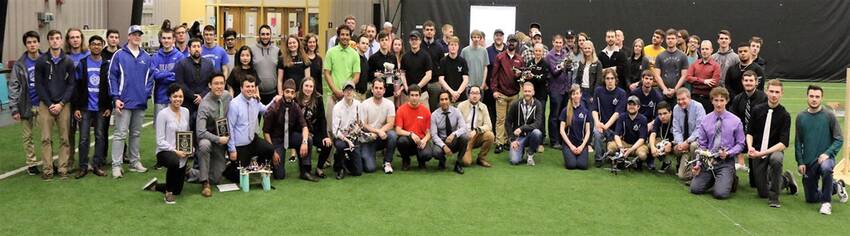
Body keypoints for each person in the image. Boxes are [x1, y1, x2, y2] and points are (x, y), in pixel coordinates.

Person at [794, 85, 849, 215]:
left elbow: (839, 139)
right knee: (811, 198)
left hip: (825, 159)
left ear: (821, 98)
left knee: (826, 168)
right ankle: (837, 186)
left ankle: (826, 203)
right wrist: (800, 162)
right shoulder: (801, 117)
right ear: (807, 97)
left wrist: (827, 153)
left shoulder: (829, 115)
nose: (814, 99)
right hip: (809, 162)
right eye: (811, 96)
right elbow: (798, 142)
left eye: (817, 97)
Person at [108, 25, 154, 178]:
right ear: (128, 36)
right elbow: (112, 77)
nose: (136, 37)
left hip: (139, 103)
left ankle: (134, 162)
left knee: (136, 133)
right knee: (120, 134)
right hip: (123, 102)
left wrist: (145, 95)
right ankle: (116, 165)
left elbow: (150, 79)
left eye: (139, 34)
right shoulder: (119, 55)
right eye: (133, 34)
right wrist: (116, 98)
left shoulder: (146, 57)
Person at [33, 30, 76, 180]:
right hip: (46, 105)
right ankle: (48, 170)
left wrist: (62, 103)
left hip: (64, 105)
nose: (55, 41)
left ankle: (63, 169)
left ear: (61, 40)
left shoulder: (68, 61)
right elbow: (38, 85)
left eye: (57, 38)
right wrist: (50, 104)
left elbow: (71, 85)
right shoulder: (41, 61)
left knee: (65, 138)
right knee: (46, 139)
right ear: (48, 41)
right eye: (52, 39)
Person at [689, 87, 745, 200]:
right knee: (695, 189)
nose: (719, 104)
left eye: (722, 100)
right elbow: (702, 145)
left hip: (726, 161)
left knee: (720, 194)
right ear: (712, 101)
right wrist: (698, 165)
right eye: (716, 100)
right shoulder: (705, 120)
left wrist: (728, 153)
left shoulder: (736, 121)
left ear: (727, 101)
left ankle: (731, 178)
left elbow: (740, 144)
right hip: (709, 161)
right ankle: (716, 179)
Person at [746, 79, 795, 208]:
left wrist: (762, 153)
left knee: (777, 159)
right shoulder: (757, 110)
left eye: (777, 92)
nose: (774, 95)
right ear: (766, 91)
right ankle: (785, 180)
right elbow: (749, 132)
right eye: (771, 91)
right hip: (757, 151)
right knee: (762, 192)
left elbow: (783, 143)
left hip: (773, 151)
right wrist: (750, 147)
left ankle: (774, 198)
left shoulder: (785, 115)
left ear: (781, 94)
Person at [142, 84, 191, 204]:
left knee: (178, 190)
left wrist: (190, 148)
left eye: (180, 96)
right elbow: (160, 141)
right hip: (165, 152)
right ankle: (168, 194)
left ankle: (155, 186)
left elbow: (187, 133)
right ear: (169, 97)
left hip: (181, 152)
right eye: (175, 96)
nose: (178, 99)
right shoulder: (163, 114)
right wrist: (175, 151)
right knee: (174, 161)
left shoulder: (186, 112)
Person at [263, 79, 319, 182]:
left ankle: (305, 171)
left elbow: (304, 127)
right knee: (280, 176)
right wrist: (272, 151)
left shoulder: (295, 106)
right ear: (283, 92)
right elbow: (266, 132)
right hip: (277, 140)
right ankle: (269, 161)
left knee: (308, 139)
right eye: (287, 92)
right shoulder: (274, 108)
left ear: (294, 94)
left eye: (292, 92)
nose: (289, 95)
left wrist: (304, 142)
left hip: (290, 137)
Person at [73, 35, 112, 178]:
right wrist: (76, 107)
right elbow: (76, 86)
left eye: (99, 44)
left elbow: (109, 87)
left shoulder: (106, 64)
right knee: (83, 138)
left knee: (100, 136)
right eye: (93, 44)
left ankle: (97, 165)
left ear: (103, 46)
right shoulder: (82, 63)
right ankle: (83, 166)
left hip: (101, 107)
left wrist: (109, 106)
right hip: (85, 108)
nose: (96, 46)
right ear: (89, 47)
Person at [226, 76, 278, 177]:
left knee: (269, 149)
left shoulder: (255, 100)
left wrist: (274, 100)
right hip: (239, 146)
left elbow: (266, 110)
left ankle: (257, 166)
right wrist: (232, 150)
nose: (250, 89)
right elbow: (230, 128)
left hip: (252, 141)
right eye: (247, 86)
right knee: (238, 176)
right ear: (241, 88)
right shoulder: (234, 104)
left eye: (252, 86)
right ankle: (229, 167)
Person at [9, 31, 43, 175]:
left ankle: (48, 161)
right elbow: (14, 86)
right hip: (25, 105)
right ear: (26, 45)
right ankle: (31, 164)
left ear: (39, 43)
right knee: (27, 137)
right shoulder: (19, 64)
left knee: (46, 136)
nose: (32, 44)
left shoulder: (45, 60)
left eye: (34, 41)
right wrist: (14, 108)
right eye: (29, 42)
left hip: (43, 105)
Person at [195, 73, 232, 196]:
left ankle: (191, 173)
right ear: (209, 85)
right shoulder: (204, 105)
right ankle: (205, 183)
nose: (219, 86)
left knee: (216, 179)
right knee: (204, 144)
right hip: (209, 139)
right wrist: (218, 139)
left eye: (222, 83)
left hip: (223, 139)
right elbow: (200, 132)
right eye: (216, 83)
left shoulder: (227, 96)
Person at [490, 34, 523, 154]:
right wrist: (494, 91)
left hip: (514, 94)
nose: (511, 43)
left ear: (517, 44)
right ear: (507, 42)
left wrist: (520, 76)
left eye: (514, 42)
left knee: (512, 120)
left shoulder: (520, 59)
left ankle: (510, 141)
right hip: (501, 94)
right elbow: (494, 76)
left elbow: (522, 78)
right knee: (500, 120)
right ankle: (499, 143)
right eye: (510, 41)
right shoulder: (500, 57)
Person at [729, 71, 767, 172]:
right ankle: (740, 162)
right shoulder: (738, 98)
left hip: (758, 134)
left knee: (755, 180)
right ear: (742, 82)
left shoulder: (763, 98)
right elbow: (732, 118)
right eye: (746, 80)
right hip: (742, 132)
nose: (748, 83)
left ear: (756, 82)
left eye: (751, 80)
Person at [357, 79, 398, 174]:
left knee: (392, 135)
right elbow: (364, 125)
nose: (378, 90)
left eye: (381, 88)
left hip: (382, 137)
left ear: (384, 90)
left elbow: (391, 123)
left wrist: (380, 132)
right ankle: (368, 156)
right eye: (376, 88)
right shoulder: (365, 104)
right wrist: (377, 131)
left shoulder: (389, 104)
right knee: (370, 168)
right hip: (368, 138)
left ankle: (387, 162)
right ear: (372, 89)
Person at [295, 78, 333, 178]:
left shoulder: (318, 98)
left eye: (311, 86)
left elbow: (322, 119)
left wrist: (325, 136)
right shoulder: (296, 97)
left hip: (315, 130)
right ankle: (305, 167)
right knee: (308, 139)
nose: (308, 89)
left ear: (314, 88)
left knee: (327, 144)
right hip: (300, 131)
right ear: (302, 86)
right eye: (306, 86)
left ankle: (319, 168)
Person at [323, 25, 361, 121]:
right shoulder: (331, 52)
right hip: (333, 95)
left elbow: (356, 76)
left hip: (349, 95)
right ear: (338, 36)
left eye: (347, 35)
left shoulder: (355, 54)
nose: (345, 37)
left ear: (350, 37)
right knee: (331, 126)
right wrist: (335, 90)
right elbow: (327, 73)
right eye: (342, 34)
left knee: (349, 125)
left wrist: (346, 90)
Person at [592, 69, 627, 167]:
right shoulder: (598, 91)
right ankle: (598, 158)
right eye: (607, 78)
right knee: (596, 133)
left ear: (616, 79)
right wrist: (597, 123)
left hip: (616, 129)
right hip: (601, 124)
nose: (610, 81)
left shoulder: (621, 93)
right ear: (604, 80)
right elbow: (594, 109)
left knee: (612, 151)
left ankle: (609, 154)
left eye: (612, 78)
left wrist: (605, 126)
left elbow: (617, 114)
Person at [395, 85, 435, 170]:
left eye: (416, 95)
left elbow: (429, 132)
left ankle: (421, 160)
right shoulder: (401, 110)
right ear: (408, 96)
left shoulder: (426, 111)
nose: (414, 98)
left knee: (427, 155)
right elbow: (398, 130)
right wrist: (411, 134)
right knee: (401, 141)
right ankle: (406, 160)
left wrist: (424, 140)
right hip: (408, 140)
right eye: (412, 95)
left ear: (420, 96)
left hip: (421, 141)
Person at [429, 91, 469, 174]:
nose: (444, 102)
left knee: (464, 137)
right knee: (436, 152)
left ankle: (458, 163)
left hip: (453, 140)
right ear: (439, 102)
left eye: (446, 99)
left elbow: (464, 127)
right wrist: (443, 146)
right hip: (441, 141)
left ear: (450, 100)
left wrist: (454, 134)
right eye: (442, 100)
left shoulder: (456, 111)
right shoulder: (434, 115)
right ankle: (442, 160)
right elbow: (434, 135)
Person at [671, 88, 706, 180]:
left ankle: (698, 171)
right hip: (683, 143)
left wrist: (687, 142)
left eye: (683, 99)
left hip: (697, 141)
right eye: (678, 99)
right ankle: (682, 164)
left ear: (689, 98)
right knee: (682, 176)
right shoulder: (676, 109)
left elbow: (700, 129)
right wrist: (680, 144)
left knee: (693, 146)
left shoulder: (698, 107)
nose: (680, 102)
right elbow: (676, 129)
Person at [506, 82, 545, 166]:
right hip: (518, 138)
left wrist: (522, 128)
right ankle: (521, 150)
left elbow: (538, 123)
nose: (527, 93)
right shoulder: (515, 104)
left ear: (533, 92)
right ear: (522, 92)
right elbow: (508, 122)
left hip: (531, 135)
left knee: (537, 133)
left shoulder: (538, 104)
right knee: (514, 161)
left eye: (529, 91)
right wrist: (512, 140)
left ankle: (530, 153)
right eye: (525, 91)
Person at [151, 28, 186, 121]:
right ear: (160, 40)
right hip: (159, 98)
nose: (166, 40)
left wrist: (162, 75)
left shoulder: (180, 56)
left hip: (175, 98)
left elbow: (179, 76)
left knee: (175, 128)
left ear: (174, 40)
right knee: (160, 129)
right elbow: (155, 76)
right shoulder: (155, 57)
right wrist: (170, 74)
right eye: (164, 38)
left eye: (169, 38)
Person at [545, 34, 573, 149]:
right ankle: (554, 140)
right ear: (553, 42)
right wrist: (563, 66)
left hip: (565, 89)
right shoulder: (549, 56)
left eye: (560, 43)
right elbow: (554, 72)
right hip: (555, 89)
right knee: (554, 116)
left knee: (563, 116)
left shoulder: (565, 54)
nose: (558, 45)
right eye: (556, 42)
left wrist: (569, 66)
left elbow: (568, 70)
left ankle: (562, 139)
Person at [330, 82, 363, 179]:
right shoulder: (337, 107)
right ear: (343, 92)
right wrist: (348, 141)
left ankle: (342, 158)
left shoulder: (358, 105)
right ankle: (340, 168)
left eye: (351, 90)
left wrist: (358, 128)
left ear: (354, 91)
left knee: (357, 172)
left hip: (353, 137)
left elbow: (361, 122)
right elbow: (335, 131)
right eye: (346, 90)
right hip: (340, 137)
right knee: (340, 146)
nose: (349, 92)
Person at [607, 96, 649, 168]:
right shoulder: (622, 116)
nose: (631, 106)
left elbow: (642, 139)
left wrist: (630, 150)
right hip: (625, 143)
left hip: (638, 145)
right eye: (629, 104)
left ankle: (637, 162)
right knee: (611, 147)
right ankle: (618, 159)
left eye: (634, 105)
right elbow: (616, 135)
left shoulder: (643, 119)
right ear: (627, 106)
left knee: (642, 155)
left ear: (638, 107)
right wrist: (620, 147)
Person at [457, 86, 494, 167]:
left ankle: (481, 158)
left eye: (477, 93)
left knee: (490, 135)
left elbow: (489, 125)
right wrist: (465, 134)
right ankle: (462, 153)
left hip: (476, 136)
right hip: (465, 137)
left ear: (480, 96)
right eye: (472, 93)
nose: (475, 96)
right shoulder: (461, 106)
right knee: (466, 163)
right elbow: (457, 125)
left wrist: (477, 130)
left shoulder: (483, 107)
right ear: (468, 95)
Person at [654, 29, 690, 104]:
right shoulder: (660, 56)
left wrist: (675, 90)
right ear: (665, 40)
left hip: (678, 94)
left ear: (677, 40)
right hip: (662, 93)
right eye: (668, 38)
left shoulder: (683, 56)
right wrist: (664, 89)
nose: (670, 40)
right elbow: (657, 75)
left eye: (673, 38)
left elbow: (684, 76)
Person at [560, 85, 591, 170]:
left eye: (577, 93)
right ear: (571, 96)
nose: (576, 96)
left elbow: (588, 131)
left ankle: (579, 155)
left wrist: (582, 146)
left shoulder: (585, 111)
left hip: (581, 144)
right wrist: (571, 146)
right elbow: (561, 130)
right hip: (569, 144)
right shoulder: (565, 110)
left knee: (582, 166)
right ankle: (570, 155)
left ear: (581, 94)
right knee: (571, 165)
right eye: (573, 94)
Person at [249, 25, 282, 104]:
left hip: (273, 94)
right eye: (263, 34)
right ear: (259, 35)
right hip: (255, 94)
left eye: (267, 34)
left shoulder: (277, 51)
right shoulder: (251, 49)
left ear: (271, 35)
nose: (265, 36)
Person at [401, 30, 434, 109]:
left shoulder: (426, 56)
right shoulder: (405, 57)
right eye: (412, 39)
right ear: (409, 41)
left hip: (422, 94)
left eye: (416, 39)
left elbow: (428, 75)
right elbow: (402, 74)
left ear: (420, 41)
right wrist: (406, 88)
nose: (414, 41)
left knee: (424, 119)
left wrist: (416, 88)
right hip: (407, 95)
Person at [686, 40, 721, 113]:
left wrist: (695, 80)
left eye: (707, 49)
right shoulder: (695, 64)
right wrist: (704, 81)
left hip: (708, 99)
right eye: (703, 49)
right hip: (695, 98)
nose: (704, 51)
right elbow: (688, 78)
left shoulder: (716, 66)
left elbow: (714, 83)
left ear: (711, 50)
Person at [422, 21, 447, 110]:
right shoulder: (419, 45)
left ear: (434, 32)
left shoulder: (439, 47)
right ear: (423, 31)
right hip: (422, 82)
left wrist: (440, 81)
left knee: (435, 108)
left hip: (435, 83)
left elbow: (442, 64)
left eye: (431, 30)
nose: (429, 31)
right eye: (427, 29)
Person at [485, 29, 506, 132]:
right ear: (494, 37)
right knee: (492, 110)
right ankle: (493, 132)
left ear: (503, 37)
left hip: (505, 87)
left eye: (500, 35)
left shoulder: (508, 50)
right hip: (491, 87)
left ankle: (504, 135)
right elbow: (485, 68)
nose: (498, 37)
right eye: (496, 35)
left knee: (503, 113)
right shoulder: (488, 50)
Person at [437, 36, 470, 102]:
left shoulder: (462, 61)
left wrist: (458, 93)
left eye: (455, 45)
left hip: (461, 96)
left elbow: (466, 79)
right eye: (451, 44)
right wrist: (451, 92)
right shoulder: (443, 61)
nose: (453, 47)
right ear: (448, 46)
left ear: (458, 47)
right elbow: (441, 79)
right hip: (447, 97)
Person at [368, 32, 399, 99]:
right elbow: (367, 75)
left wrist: (396, 74)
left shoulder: (393, 57)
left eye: (386, 40)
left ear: (389, 41)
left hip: (390, 92)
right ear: (379, 42)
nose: (384, 42)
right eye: (382, 40)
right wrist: (374, 74)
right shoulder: (373, 58)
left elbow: (396, 74)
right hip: (376, 93)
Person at [649, 101, 675, 173]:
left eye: (665, 113)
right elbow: (653, 134)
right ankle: (666, 162)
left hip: (675, 142)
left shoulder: (675, 120)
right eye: (660, 114)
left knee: (676, 148)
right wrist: (652, 147)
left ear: (670, 112)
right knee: (652, 144)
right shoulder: (658, 119)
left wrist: (671, 144)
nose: (662, 116)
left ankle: (679, 164)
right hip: (663, 141)